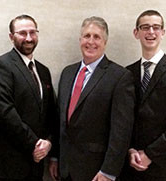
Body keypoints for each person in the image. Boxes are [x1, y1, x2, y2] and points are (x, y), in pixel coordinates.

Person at [49, 16, 135, 181]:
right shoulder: (67, 73)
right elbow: (60, 120)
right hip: (65, 169)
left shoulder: (120, 77)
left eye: (97, 37)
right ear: (80, 39)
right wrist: (55, 157)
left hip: (97, 171)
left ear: (105, 42)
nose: (91, 41)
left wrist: (109, 171)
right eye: (87, 36)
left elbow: (121, 131)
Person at [119, 10, 166, 181]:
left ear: (163, 33)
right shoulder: (127, 73)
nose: (151, 32)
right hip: (130, 166)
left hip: (162, 167)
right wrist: (130, 150)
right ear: (136, 33)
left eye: (156, 27)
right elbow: (123, 119)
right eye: (145, 27)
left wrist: (149, 154)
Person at [0, 14, 58, 181]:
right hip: (6, 167)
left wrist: (48, 142)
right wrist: (35, 145)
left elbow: (50, 113)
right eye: (22, 33)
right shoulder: (0, 66)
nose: (29, 38)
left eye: (33, 32)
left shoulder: (43, 70)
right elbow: (4, 113)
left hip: (35, 166)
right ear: (11, 37)